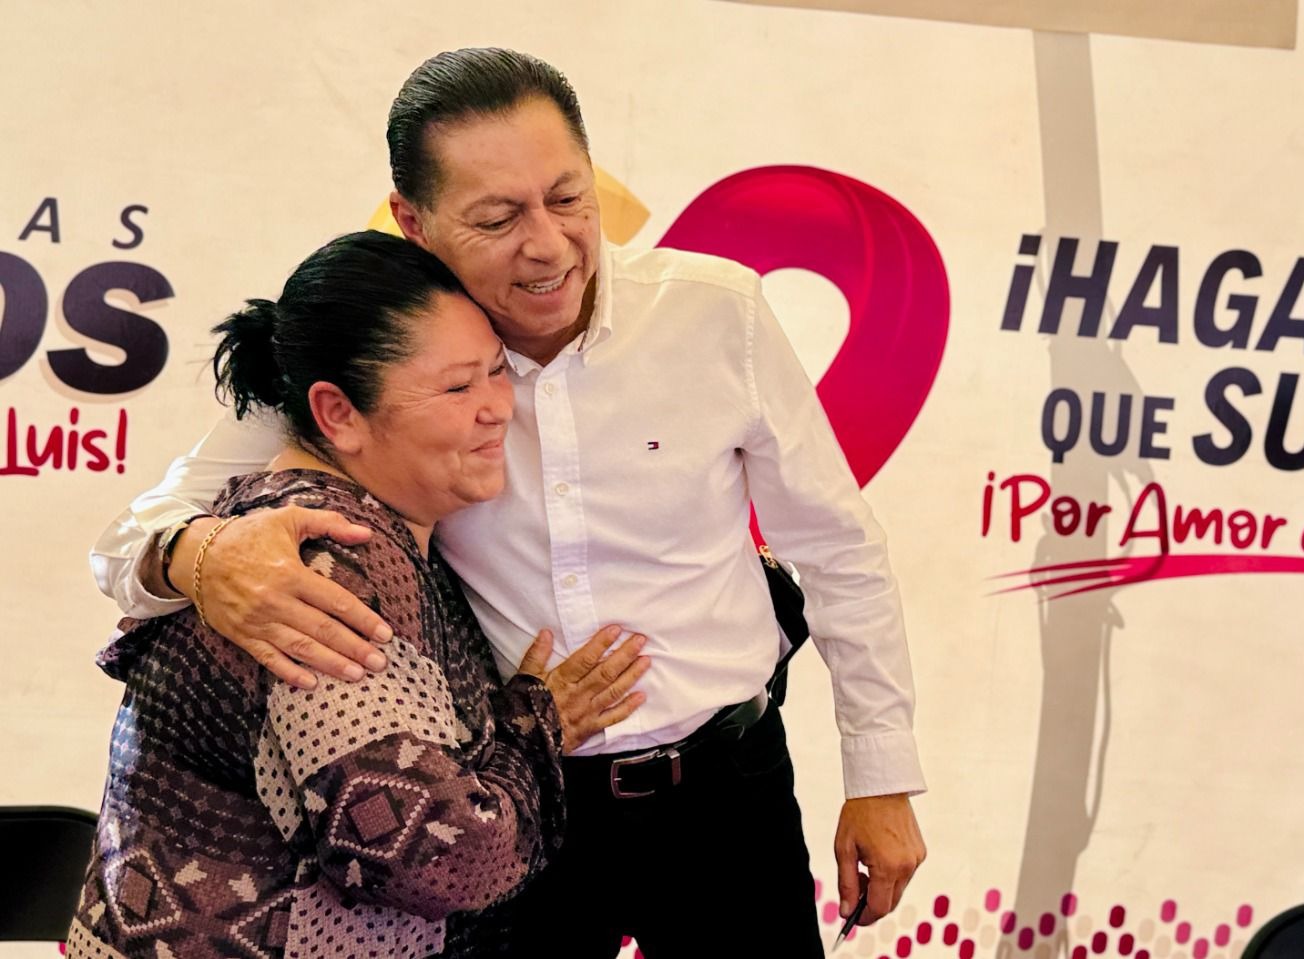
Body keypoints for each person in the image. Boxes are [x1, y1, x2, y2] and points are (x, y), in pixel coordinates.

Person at [93, 48, 926, 957]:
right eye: (496, 218)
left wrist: (880, 776)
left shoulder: (714, 314)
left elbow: (838, 547)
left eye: (569, 198)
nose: (549, 244)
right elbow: (130, 539)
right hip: (514, 806)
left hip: (726, 786)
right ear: (413, 222)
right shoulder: (381, 346)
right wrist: (200, 557)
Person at [74, 231, 655, 957]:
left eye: (496, 372)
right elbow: (436, 859)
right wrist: (537, 725)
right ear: (338, 414)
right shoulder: (326, 565)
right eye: (457, 387)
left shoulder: (346, 522)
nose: (497, 408)